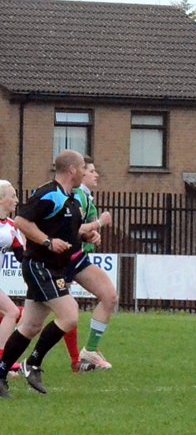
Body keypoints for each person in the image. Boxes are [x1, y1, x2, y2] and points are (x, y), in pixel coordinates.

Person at [1, 151, 97, 395]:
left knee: (30, 325)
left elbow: (70, 233)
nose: (85, 173)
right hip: (39, 265)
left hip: (54, 267)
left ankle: (0, 374)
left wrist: (88, 236)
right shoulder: (49, 193)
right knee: (70, 315)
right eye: (83, 168)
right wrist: (47, 242)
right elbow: (22, 221)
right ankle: (32, 363)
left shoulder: (73, 200)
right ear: (72, 170)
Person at [69, 158, 117, 371]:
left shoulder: (85, 196)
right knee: (37, 319)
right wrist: (99, 223)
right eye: (91, 171)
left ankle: (89, 351)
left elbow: (80, 231)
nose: (96, 175)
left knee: (109, 296)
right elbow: (74, 228)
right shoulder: (78, 195)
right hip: (63, 259)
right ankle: (13, 360)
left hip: (78, 258)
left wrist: (91, 236)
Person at [0, 181, 22, 394]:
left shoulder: (12, 226)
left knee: (11, 312)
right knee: (11, 312)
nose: (16, 200)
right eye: (12, 195)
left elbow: (22, 256)